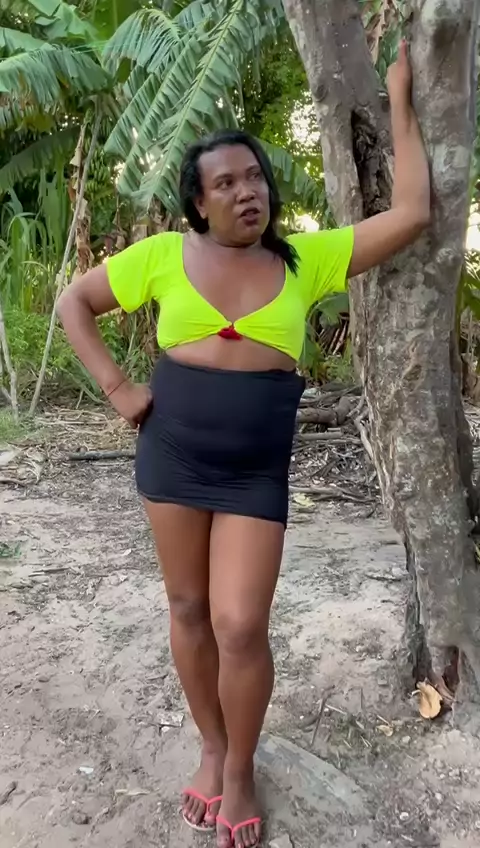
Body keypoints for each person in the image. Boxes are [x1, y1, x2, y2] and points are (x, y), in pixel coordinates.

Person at [58, 41, 430, 848]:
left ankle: (239, 768)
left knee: (238, 623)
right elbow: (73, 304)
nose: (246, 191)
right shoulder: (162, 257)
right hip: (171, 458)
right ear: (198, 203)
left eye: (254, 177)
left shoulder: (306, 261)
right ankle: (212, 747)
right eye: (225, 183)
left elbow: (411, 215)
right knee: (189, 609)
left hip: (254, 473)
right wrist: (118, 389)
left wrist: (401, 98)